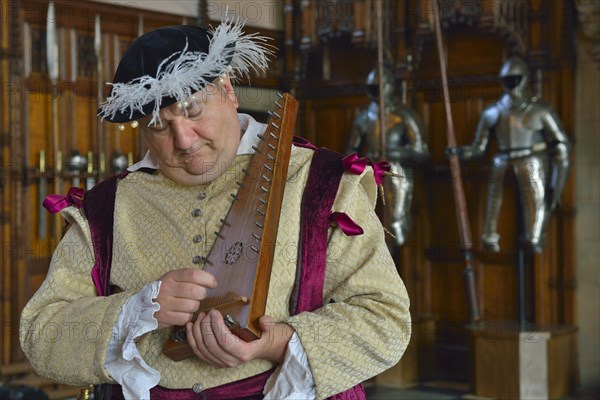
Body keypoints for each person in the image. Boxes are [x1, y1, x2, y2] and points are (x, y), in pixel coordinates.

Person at [20, 18, 411, 400]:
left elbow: (387, 320)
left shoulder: (320, 182)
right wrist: (135, 311)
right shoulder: (105, 208)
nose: (184, 139)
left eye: (192, 110)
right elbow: (42, 336)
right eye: (159, 125)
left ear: (227, 88)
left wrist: (275, 343)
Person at [452, 57, 570, 253]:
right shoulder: (493, 112)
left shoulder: (540, 110)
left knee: (535, 200)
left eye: (516, 79)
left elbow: (561, 146)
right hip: (502, 159)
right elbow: (478, 148)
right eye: (508, 80)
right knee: (493, 198)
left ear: (524, 79)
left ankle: (534, 236)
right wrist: (459, 152)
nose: (512, 84)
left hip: (531, 159)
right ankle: (489, 235)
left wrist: (556, 187)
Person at [347, 67, 428, 246]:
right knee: (366, 226)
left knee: (396, 225)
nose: (376, 92)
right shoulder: (363, 118)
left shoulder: (404, 116)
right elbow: (351, 151)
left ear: (390, 86)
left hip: (396, 173)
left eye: (379, 87)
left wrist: (394, 153)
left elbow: (421, 152)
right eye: (372, 87)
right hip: (368, 174)